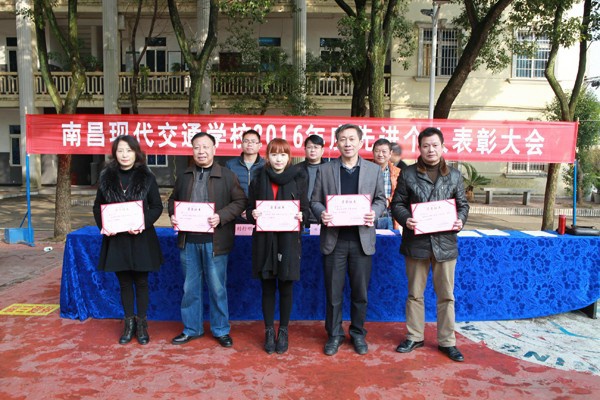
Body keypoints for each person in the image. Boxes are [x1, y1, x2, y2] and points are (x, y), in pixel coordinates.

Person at [391, 127, 470, 362]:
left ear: (443, 147)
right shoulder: (408, 174)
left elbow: (463, 205)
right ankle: (414, 336)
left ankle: (447, 341)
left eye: (435, 145)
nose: (431, 150)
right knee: (415, 294)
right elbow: (397, 204)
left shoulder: (454, 175)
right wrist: (406, 219)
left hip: (445, 243)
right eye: (426, 146)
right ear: (420, 148)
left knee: (446, 295)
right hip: (417, 242)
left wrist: (460, 219)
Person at [310, 123, 386, 356]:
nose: (347, 143)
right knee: (333, 293)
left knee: (360, 293)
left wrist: (375, 212)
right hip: (335, 241)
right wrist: (322, 213)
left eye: (352, 139)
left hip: (362, 240)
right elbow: (314, 201)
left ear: (360, 142)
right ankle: (334, 335)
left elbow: (381, 200)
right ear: (337, 143)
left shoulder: (374, 170)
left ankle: (358, 333)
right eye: (343, 139)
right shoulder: (325, 170)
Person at [168, 132, 247, 348]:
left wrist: (221, 216)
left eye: (205, 147)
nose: (201, 151)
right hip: (188, 241)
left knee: (217, 289)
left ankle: (221, 329)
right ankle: (192, 328)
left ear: (214, 149)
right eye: (196, 147)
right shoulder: (184, 175)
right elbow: (173, 200)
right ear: (192, 150)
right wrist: (173, 214)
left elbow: (240, 201)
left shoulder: (227, 175)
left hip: (216, 241)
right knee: (190, 288)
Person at [93, 135, 164, 345]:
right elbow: (97, 207)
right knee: (124, 283)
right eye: (120, 150)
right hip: (117, 239)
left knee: (141, 282)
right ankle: (128, 323)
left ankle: (142, 324)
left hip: (141, 237)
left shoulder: (147, 177)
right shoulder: (106, 177)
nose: (125, 155)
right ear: (114, 153)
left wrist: (142, 223)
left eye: (129, 150)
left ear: (136, 153)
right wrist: (105, 225)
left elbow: (157, 207)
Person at [246, 138, 309, 354]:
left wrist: (302, 215)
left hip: (288, 239)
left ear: (289, 157)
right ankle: (268, 331)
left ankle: (283, 330)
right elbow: (249, 208)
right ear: (267, 157)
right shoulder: (258, 177)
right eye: (274, 154)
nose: (278, 159)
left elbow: (306, 207)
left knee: (286, 286)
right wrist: (252, 214)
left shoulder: (299, 176)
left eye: (283, 154)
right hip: (264, 240)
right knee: (267, 287)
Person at [225, 129, 265, 222]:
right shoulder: (230, 165)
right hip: (235, 211)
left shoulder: (266, 165)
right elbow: (226, 189)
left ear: (260, 145)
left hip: (258, 212)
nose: (249, 144)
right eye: (246, 141)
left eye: (253, 141)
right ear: (241, 144)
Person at [296, 134, 327, 227]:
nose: (312, 150)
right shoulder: (296, 169)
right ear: (305, 150)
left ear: (322, 150)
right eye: (309, 147)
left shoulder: (329, 169)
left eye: (316, 147)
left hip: (323, 215)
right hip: (301, 216)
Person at [372, 138, 401, 230]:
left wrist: (388, 200)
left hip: (389, 216)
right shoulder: (365, 171)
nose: (380, 154)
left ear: (390, 153)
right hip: (370, 215)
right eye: (377, 151)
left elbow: (401, 196)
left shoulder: (398, 173)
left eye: (384, 151)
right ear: (373, 152)